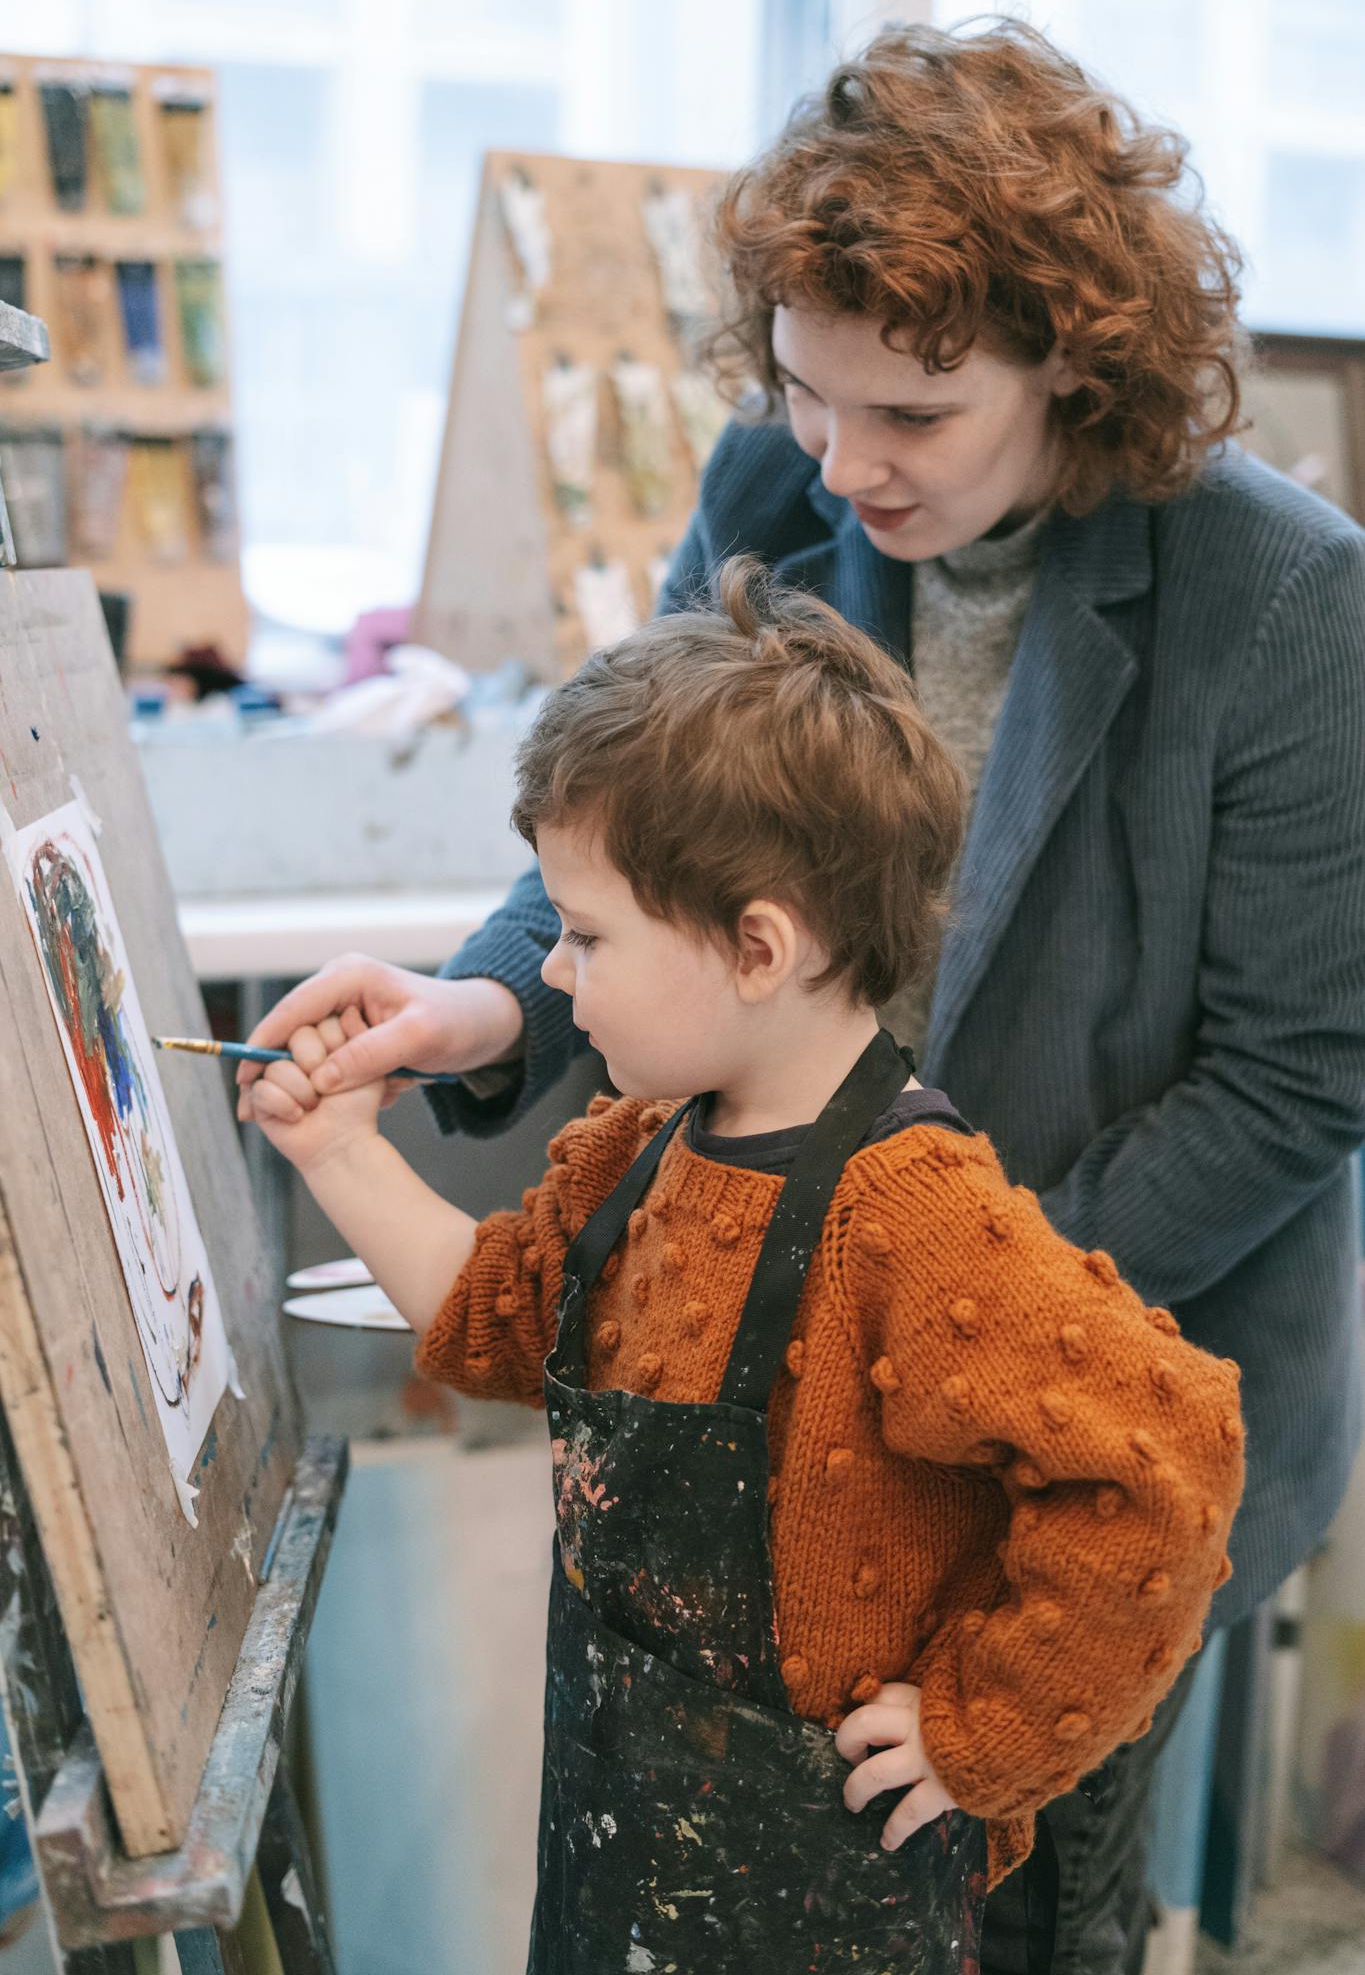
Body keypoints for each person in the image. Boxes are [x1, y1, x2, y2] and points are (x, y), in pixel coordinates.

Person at [244, 20, 1365, 1969]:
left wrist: (905, 1294)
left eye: (910, 417)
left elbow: (1292, 1078)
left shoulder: (1277, 601)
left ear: (1067, 358)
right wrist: (493, 1006)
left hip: (1055, 1426)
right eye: (802, 394)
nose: (841, 462)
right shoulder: (776, 481)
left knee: (1020, 1897)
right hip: (791, 1423)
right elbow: (636, 827)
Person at [242, 560, 1243, 1974]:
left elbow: (1170, 1460)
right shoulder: (635, 1151)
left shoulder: (914, 1214)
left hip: (822, 1899)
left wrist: (984, 1732)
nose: (560, 979)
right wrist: (338, 1152)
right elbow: (497, 1323)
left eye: (585, 939)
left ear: (757, 946)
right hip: (622, 1848)